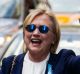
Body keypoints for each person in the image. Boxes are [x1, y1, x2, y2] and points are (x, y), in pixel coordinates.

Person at [1, 4, 80, 74]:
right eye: (31, 28)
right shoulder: (9, 64)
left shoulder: (64, 62)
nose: (35, 33)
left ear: (54, 38)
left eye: (43, 29)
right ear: (24, 34)